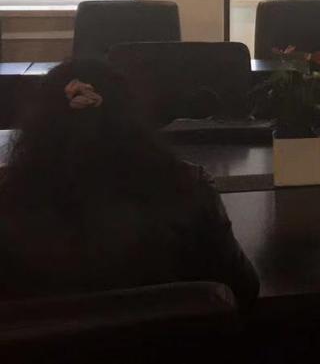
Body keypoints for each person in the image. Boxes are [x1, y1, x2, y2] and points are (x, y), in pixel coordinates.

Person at [0, 60, 258, 306]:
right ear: (133, 116)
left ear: (36, 122)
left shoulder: (9, 202)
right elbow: (243, 289)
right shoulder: (188, 188)